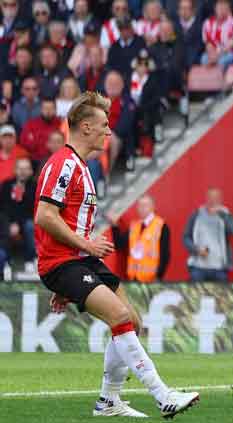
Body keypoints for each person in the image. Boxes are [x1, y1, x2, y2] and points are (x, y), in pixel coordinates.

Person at [34, 91, 199, 418]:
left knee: (131, 321)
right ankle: (162, 394)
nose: (109, 132)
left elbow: (63, 221)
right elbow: (44, 216)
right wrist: (83, 249)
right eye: (103, 126)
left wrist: (76, 264)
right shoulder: (63, 165)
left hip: (78, 260)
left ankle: (108, 400)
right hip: (66, 261)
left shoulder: (81, 167)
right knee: (120, 317)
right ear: (84, 128)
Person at [107, 195, 170, 283]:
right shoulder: (134, 226)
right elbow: (120, 245)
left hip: (152, 279)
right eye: (140, 206)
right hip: (133, 278)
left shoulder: (161, 226)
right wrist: (114, 226)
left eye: (145, 205)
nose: (142, 208)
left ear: (153, 207)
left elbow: (165, 254)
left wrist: (159, 275)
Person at [183, 187, 233, 281]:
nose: (213, 200)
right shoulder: (197, 214)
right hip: (198, 267)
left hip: (220, 267)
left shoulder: (225, 214)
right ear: (207, 198)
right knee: (195, 293)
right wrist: (196, 249)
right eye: (211, 197)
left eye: (216, 198)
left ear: (221, 199)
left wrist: (223, 215)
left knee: (221, 294)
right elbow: (185, 237)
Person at [0, 157, 36, 274]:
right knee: (4, 225)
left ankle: (30, 260)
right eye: (20, 168)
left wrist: (18, 224)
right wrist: (12, 223)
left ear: (31, 171)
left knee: (30, 226)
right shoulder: (6, 185)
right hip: (8, 220)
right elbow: (3, 207)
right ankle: (6, 262)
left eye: (26, 169)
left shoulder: (34, 187)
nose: (23, 172)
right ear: (15, 170)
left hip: (27, 220)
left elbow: (32, 209)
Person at [19, 96, 62, 165]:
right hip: (35, 161)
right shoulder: (31, 124)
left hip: (58, 160)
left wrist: (35, 138)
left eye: (51, 108)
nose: (48, 111)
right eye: (45, 108)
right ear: (41, 109)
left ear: (55, 110)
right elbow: (24, 143)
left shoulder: (60, 124)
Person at [201, 0, 233, 67]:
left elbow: (232, 43)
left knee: (222, 61)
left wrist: (218, 55)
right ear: (215, 8)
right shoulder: (207, 23)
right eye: (220, 6)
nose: (222, 9)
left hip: (230, 52)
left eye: (224, 6)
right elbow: (208, 44)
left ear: (229, 9)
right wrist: (212, 55)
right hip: (213, 52)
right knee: (204, 59)